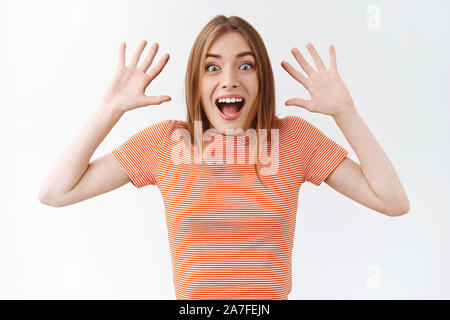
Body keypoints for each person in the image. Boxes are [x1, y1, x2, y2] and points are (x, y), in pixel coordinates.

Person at [38, 15, 410, 300]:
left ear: (261, 79)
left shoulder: (294, 139)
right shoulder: (166, 143)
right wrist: (110, 110)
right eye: (212, 67)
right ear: (196, 84)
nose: (229, 79)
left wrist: (345, 112)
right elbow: (56, 192)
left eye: (245, 65)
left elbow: (393, 202)